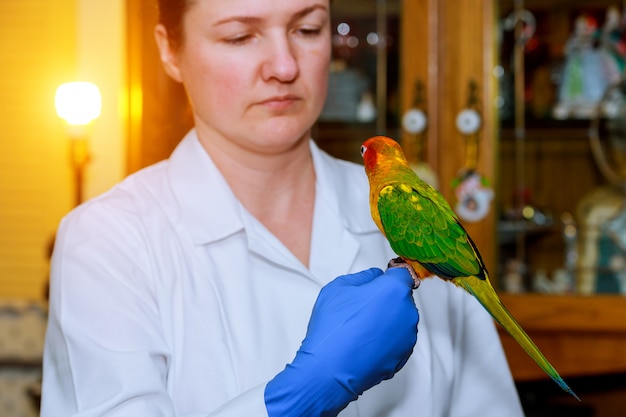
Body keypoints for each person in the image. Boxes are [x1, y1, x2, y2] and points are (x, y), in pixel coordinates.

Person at [40, 0, 524, 416]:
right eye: (239, 36)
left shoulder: (417, 217)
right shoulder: (107, 242)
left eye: (308, 29)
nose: (285, 66)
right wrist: (296, 400)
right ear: (170, 50)